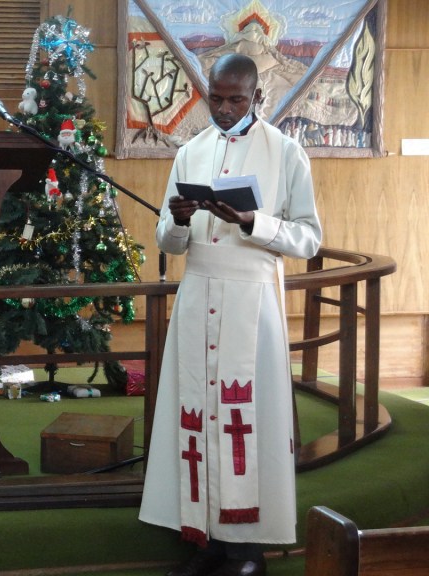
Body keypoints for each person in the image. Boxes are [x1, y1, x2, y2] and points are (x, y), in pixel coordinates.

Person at [139, 53, 322, 576]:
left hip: (251, 303)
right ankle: (207, 542)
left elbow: (309, 238)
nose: (223, 108)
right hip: (197, 294)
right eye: (215, 98)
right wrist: (177, 220)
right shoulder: (190, 152)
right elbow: (168, 241)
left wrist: (252, 222)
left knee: (247, 419)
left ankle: (247, 551)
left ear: (256, 97)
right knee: (196, 414)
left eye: (235, 99)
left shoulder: (285, 152)